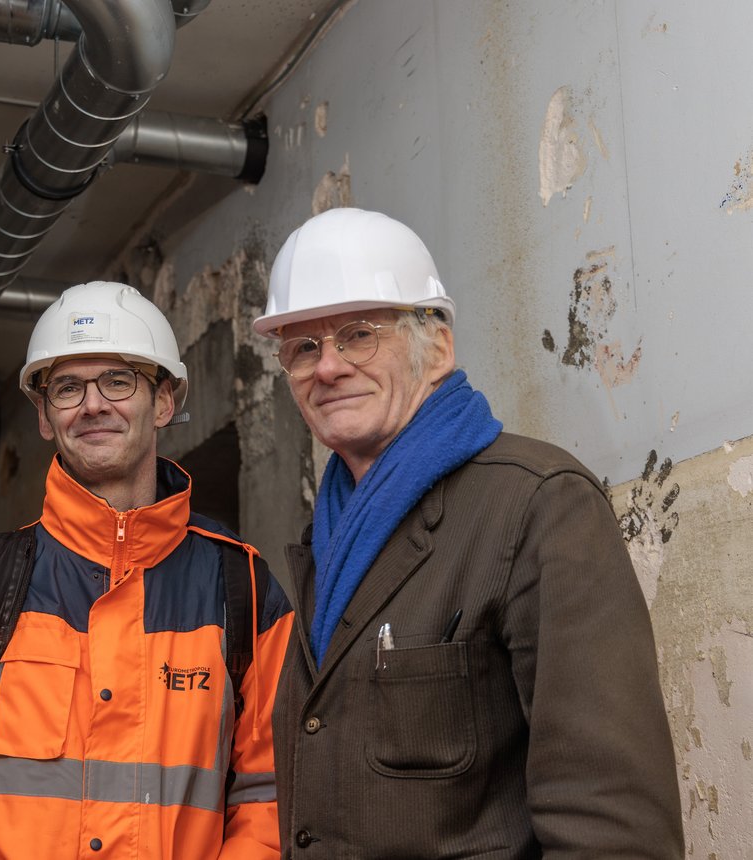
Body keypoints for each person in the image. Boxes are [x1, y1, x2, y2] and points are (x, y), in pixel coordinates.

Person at [256, 208, 683, 858]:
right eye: (303, 346)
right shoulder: (329, 537)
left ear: (438, 347)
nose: (327, 367)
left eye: (359, 335)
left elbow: (609, 822)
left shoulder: (536, 504)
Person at [0, 281, 294, 858]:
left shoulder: (244, 590)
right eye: (67, 388)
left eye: (118, 380)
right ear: (43, 417)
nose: (92, 405)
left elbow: (272, 800)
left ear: (163, 401)